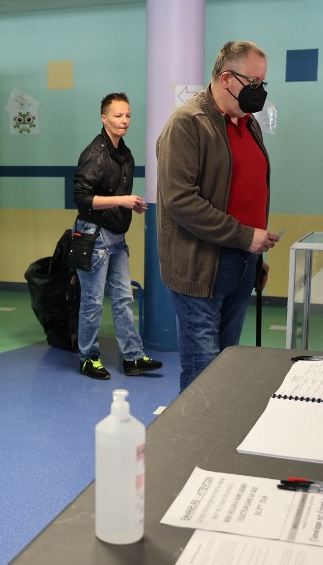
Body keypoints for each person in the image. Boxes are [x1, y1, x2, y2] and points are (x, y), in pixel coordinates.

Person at [156, 40, 281, 391]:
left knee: (226, 367)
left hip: (241, 261)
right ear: (226, 78)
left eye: (263, 83)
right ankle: (191, 445)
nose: (260, 91)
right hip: (201, 266)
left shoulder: (248, 123)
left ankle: (214, 442)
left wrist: (254, 252)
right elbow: (180, 200)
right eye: (253, 83)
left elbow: (247, 191)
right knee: (202, 375)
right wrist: (245, 236)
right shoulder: (188, 123)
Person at [72, 93, 162, 380]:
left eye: (128, 115)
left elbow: (115, 197)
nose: (124, 121)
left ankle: (133, 357)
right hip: (94, 235)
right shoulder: (95, 154)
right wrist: (121, 201)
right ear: (104, 118)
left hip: (116, 236)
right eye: (118, 116)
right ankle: (88, 357)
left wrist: (129, 205)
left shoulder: (125, 154)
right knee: (93, 301)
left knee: (124, 298)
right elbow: (82, 198)